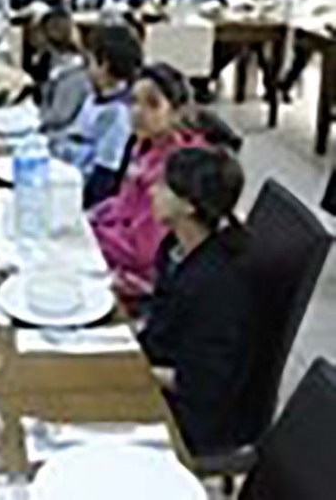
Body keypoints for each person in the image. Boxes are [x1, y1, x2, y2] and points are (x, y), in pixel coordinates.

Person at [140, 147, 254, 454]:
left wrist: (133, 370)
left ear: (189, 206)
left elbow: (202, 383)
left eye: (164, 186)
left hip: (190, 414)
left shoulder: (216, 285)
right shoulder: (175, 247)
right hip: (163, 362)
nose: (152, 190)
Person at [89, 63, 207, 299]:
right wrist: (93, 217)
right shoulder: (144, 145)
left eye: (152, 104)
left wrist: (93, 235)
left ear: (176, 112)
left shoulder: (176, 169)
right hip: (121, 247)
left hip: (148, 280)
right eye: (134, 101)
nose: (138, 112)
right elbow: (124, 204)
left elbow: (142, 252)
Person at [52, 26, 142, 208]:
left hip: (77, 189)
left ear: (104, 65)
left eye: (90, 62)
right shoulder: (96, 95)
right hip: (64, 168)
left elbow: (104, 176)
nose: (87, 69)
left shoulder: (117, 115)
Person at [36, 10, 91, 138]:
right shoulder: (49, 62)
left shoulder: (75, 74)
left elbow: (60, 116)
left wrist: (35, 120)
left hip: (62, 135)